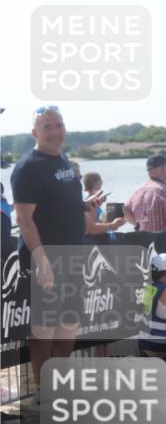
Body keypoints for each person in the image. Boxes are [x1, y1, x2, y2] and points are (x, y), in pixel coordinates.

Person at [11, 107, 102, 385]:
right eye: (47, 126)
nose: (54, 132)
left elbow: (59, 203)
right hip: (46, 259)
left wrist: (85, 205)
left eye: (59, 125)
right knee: (43, 329)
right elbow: (24, 220)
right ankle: (42, 391)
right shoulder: (28, 167)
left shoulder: (62, 159)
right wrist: (41, 261)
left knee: (69, 324)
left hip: (72, 256)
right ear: (35, 132)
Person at [124, 155, 166, 232]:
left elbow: (125, 209)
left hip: (144, 241)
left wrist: (138, 225)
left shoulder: (138, 191)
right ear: (162, 168)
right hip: (165, 241)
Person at [82, 172, 125, 237]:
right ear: (97, 183)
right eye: (101, 181)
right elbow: (93, 225)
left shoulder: (85, 202)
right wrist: (113, 224)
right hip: (97, 239)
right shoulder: (90, 203)